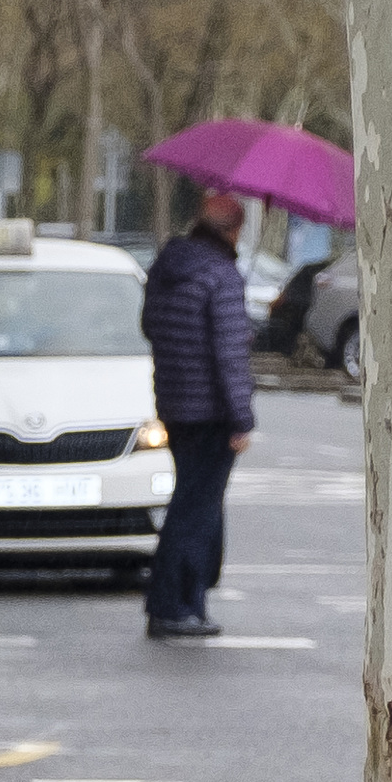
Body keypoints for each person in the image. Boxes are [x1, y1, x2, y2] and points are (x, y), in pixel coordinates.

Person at [140, 183, 257, 639]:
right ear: (234, 231)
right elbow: (229, 354)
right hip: (211, 411)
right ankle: (175, 605)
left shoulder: (167, 268)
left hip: (174, 404)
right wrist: (241, 419)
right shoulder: (221, 277)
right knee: (196, 510)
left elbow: (150, 327)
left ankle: (188, 599)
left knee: (190, 502)